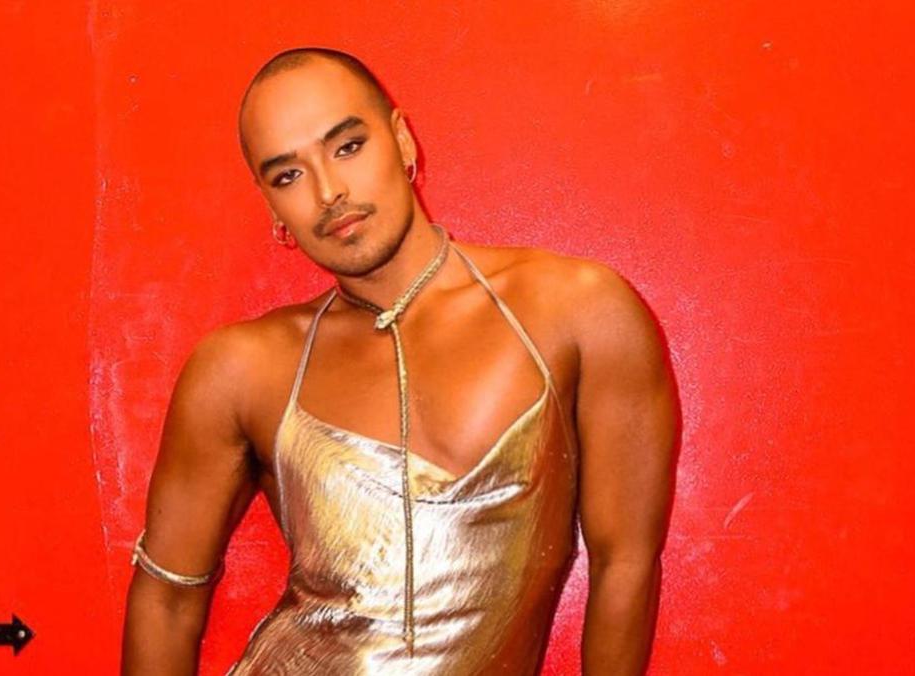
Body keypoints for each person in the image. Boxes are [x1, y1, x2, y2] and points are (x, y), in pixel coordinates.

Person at [120, 46, 678, 676]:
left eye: (348, 146)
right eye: (288, 175)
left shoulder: (576, 311)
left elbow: (625, 563)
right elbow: (166, 601)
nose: (329, 191)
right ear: (271, 206)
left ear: (403, 140)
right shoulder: (242, 368)